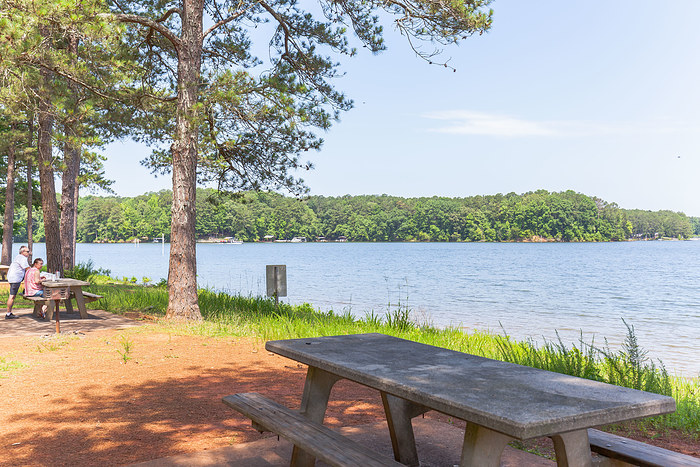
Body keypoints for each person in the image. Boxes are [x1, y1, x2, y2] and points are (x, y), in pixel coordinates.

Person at [5, 246, 31, 319]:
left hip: (12, 278)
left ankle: (9, 313)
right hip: (15, 279)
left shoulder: (18, 257)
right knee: (12, 296)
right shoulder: (22, 258)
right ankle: (8, 314)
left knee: (12, 295)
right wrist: (36, 272)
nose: (29, 253)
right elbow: (27, 268)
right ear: (22, 252)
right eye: (27, 251)